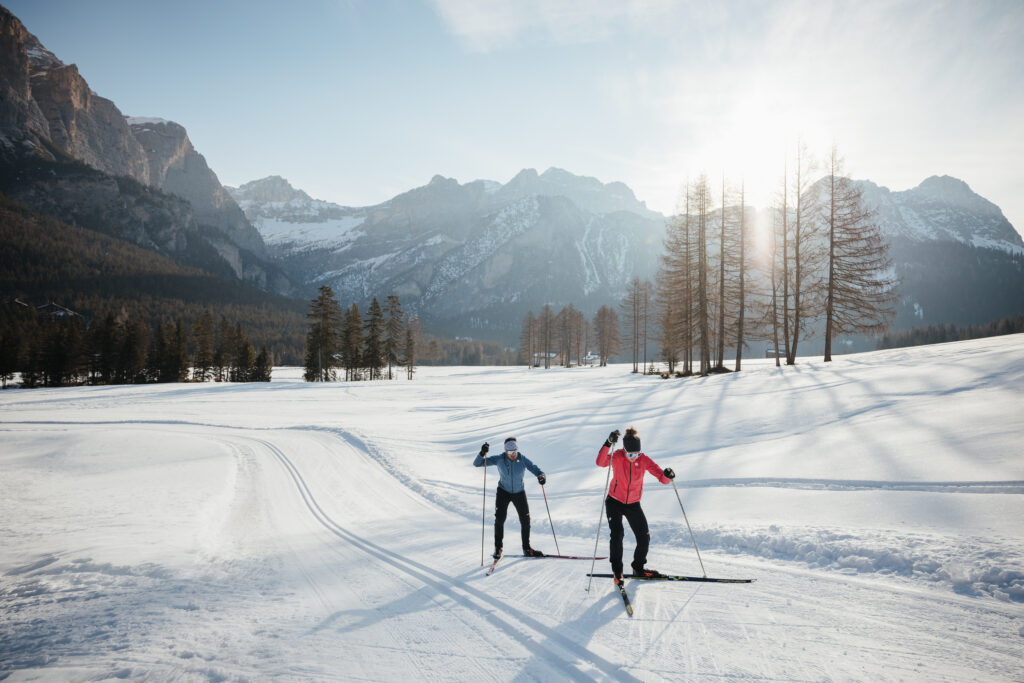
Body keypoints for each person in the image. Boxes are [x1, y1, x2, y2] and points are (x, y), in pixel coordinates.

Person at [596, 426, 675, 584]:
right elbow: (600, 462)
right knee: (617, 535)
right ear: (624, 450)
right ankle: (617, 571)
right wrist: (607, 443)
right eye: (630, 454)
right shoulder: (618, 456)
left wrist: (668, 476)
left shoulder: (644, 460)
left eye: (636, 454)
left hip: (633, 503)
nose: (633, 457)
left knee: (644, 537)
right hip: (614, 501)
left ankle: (638, 568)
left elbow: (661, 477)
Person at [474, 437, 546, 560]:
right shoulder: (499, 459)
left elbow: (534, 468)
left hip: (519, 492)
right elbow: (478, 463)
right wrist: (482, 453)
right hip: (503, 492)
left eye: (515, 451)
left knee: (525, 520)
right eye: (511, 452)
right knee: (500, 519)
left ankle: (527, 549)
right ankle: (498, 548)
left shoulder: (521, 459)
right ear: (506, 451)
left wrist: (541, 476)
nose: (513, 455)